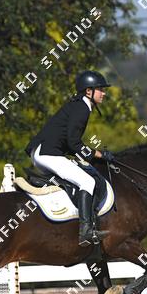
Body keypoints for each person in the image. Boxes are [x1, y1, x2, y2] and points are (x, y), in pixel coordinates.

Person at [25, 70, 116, 245]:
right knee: (88, 182)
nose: (104, 93)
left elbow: (70, 143)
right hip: (48, 154)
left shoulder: (78, 105)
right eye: (100, 89)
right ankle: (86, 231)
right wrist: (99, 154)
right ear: (88, 91)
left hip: (43, 152)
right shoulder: (82, 108)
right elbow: (74, 144)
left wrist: (92, 154)